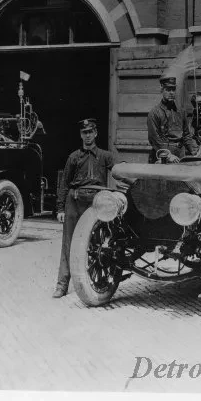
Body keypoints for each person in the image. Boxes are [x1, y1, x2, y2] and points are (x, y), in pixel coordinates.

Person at [53, 118, 116, 298]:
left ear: (96, 133)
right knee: (68, 243)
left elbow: (120, 172)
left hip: (95, 205)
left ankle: (95, 283)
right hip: (75, 202)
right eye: (84, 133)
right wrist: (60, 209)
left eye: (90, 132)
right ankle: (61, 285)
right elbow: (64, 184)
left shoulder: (106, 156)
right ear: (81, 135)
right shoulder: (74, 157)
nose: (87, 136)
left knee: (98, 244)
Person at [146, 76, 197, 163]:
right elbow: (154, 139)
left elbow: (186, 135)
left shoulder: (180, 111)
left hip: (180, 155)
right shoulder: (154, 113)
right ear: (162, 89)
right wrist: (168, 155)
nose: (171, 93)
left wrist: (194, 151)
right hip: (162, 157)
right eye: (168, 90)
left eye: (173, 90)